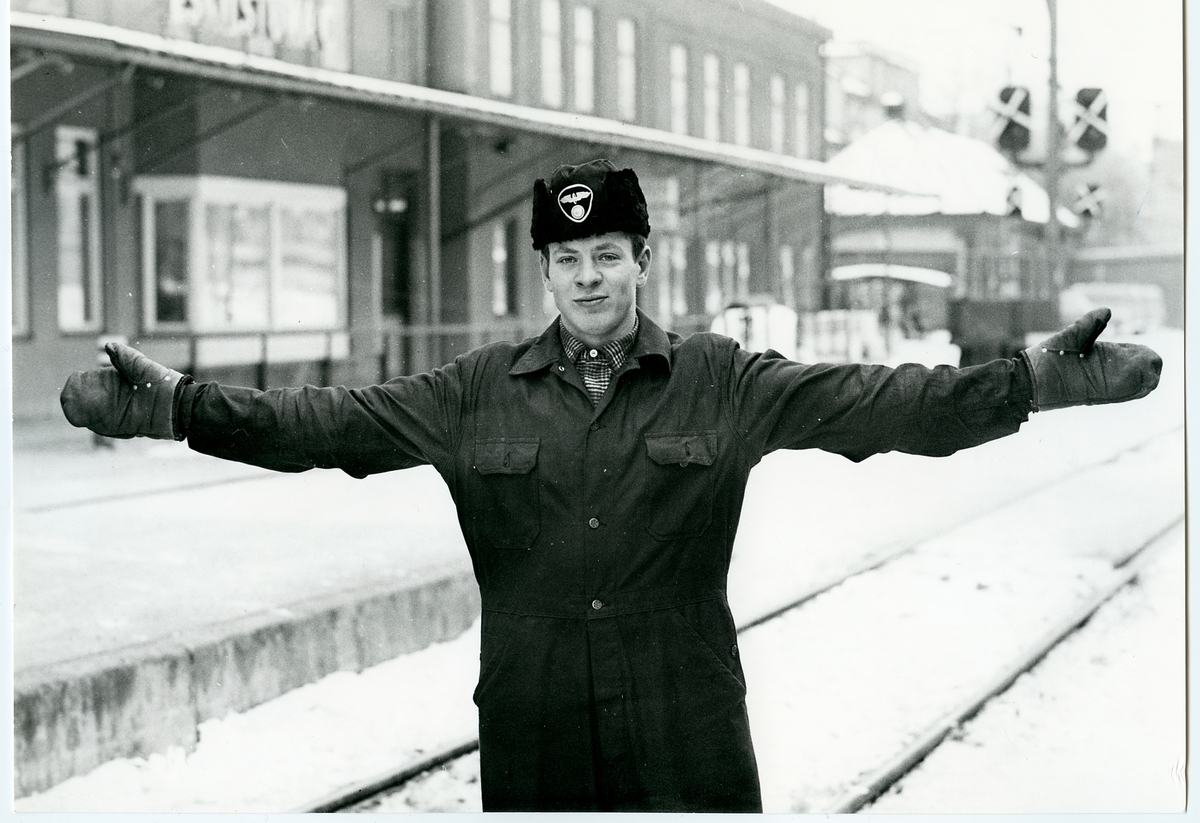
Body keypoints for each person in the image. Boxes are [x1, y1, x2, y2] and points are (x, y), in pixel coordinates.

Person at [60, 158, 1162, 812]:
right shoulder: (472, 392)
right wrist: (176, 408)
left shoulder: (724, 382)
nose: (590, 278)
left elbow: (881, 406)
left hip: (685, 732)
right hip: (539, 734)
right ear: (545, 272)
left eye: (610, 256)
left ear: (642, 262)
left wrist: (1029, 385)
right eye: (568, 261)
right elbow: (322, 425)